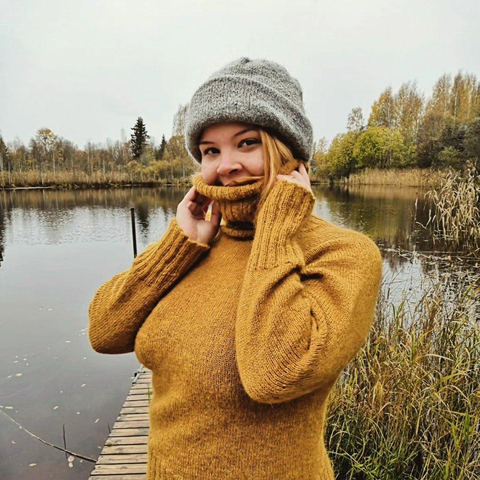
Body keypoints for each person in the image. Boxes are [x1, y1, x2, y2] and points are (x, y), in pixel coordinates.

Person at [88, 57, 383, 479]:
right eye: (211, 150)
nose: (225, 165)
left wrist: (276, 232)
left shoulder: (344, 255)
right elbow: (105, 331)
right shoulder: (197, 244)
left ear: (289, 152)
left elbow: (274, 376)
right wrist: (179, 243)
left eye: (247, 143)